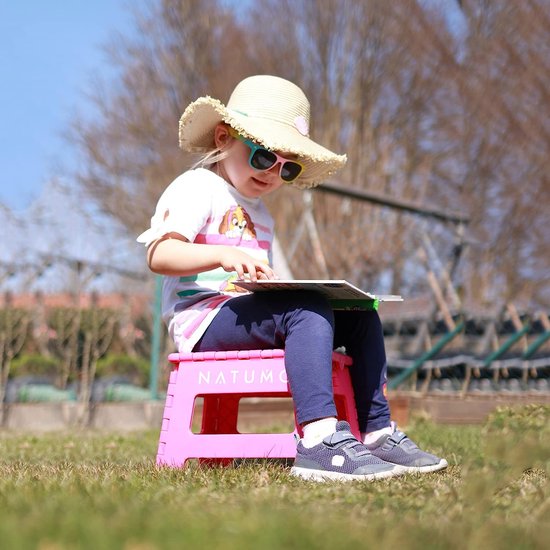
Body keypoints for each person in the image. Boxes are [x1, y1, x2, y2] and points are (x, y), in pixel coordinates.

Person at [138, 75, 447, 482]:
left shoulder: (261, 213)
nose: (273, 173)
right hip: (203, 319)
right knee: (306, 310)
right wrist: (222, 254)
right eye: (264, 157)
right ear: (223, 137)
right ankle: (318, 439)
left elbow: (264, 282)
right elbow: (159, 255)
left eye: (288, 168)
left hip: (241, 313)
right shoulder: (198, 188)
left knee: (359, 312)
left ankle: (375, 431)